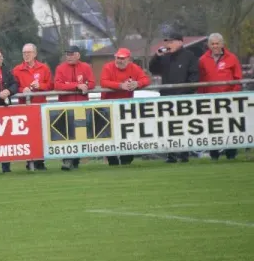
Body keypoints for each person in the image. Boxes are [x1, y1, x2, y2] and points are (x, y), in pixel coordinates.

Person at [149, 31, 199, 163]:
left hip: (184, 98)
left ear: (180, 42)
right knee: (168, 128)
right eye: (167, 42)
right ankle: (171, 156)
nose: (168, 44)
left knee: (184, 127)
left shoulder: (189, 56)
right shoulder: (164, 57)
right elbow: (153, 69)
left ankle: (184, 155)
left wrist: (186, 92)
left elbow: (194, 77)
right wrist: (157, 56)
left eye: (171, 41)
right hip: (167, 98)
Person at [100, 48, 151, 166]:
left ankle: (126, 159)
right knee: (110, 134)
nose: (119, 61)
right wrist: (120, 85)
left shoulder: (134, 68)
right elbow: (104, 82)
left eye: (122, 58)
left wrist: (137, 83)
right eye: (118, 58)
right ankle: (112, 160)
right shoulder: (108, 67)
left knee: (127, 133)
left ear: (129, 59)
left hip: (126, 107)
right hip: (109, 106)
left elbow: (146, 79)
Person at [197, 33, 242, 161]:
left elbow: (238, 78)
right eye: (213, 44)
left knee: (231, 126)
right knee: (212, 127)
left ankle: (231, 154)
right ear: (209, 45)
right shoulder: (202, 60)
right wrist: (201, 97)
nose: (215, 46)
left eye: (217, 43)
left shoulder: (232, 58)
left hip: (229, 100)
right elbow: (200, 81)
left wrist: (234, 93)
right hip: (210, 100)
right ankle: (214, 154)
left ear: (222, 44)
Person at [53, 46, 95, 171]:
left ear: (78, 55)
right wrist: (77, 86)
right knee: (67, 134)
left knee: (80, 135)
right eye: (67, 54)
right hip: (65, 107)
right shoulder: (60, 68)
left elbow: (92, 83)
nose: (69, 56)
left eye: (71, 54)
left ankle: (75, 161)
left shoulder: (86, 67)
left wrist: (83, 85)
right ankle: (67, 160)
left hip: (82, 107)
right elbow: (57, 85)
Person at [12, 43, 52, 171]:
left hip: (40, 107)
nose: (26, 55)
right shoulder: (17, 70)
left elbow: (50, 85)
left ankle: (40, 162)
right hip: (24, 108)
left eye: (28, 52)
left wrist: (40, 86)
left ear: (35, 54)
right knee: (27, 136)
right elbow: (13, 86)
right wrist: (21, 89)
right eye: (24, 53)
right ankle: (30, 162)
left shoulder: (44, 68)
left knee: (41, 135)